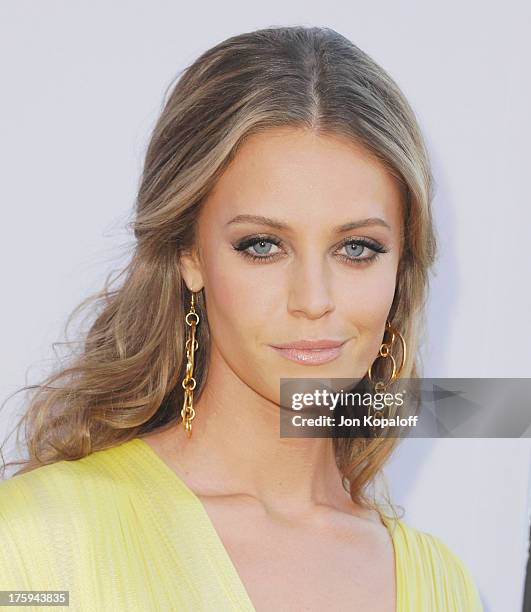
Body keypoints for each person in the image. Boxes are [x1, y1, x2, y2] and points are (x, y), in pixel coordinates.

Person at [0, 25, 483, 611]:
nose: (313, 298)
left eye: (357, 248)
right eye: (262, 245)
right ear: (189, 254)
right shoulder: (39, 542)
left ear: (401, 265)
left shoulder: (439, 583)